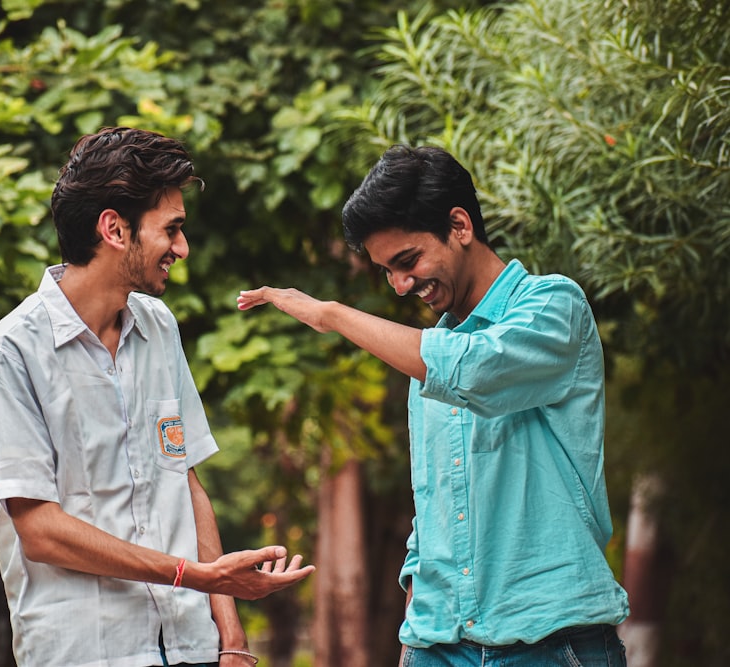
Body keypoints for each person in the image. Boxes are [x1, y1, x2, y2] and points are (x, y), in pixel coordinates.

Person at [237, 145, 630, 666]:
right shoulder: (427, 362)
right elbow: (432, 516)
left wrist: (330, 314)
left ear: (460, 225)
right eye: (386, 271)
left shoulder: (554, 307)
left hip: (551, 643)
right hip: (437, 646)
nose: (400, 286)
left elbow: (474, 370)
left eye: (407, 261)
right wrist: (412, 642)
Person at [0, 127, 314, 667]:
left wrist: (231, 640)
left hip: (189, 646)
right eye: (171, 229)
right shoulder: (9, 354)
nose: (182, 247)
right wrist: (190, 575)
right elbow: (38, 530)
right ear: (114, 228)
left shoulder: (159, 326)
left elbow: (185, 482)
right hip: (86, 652)